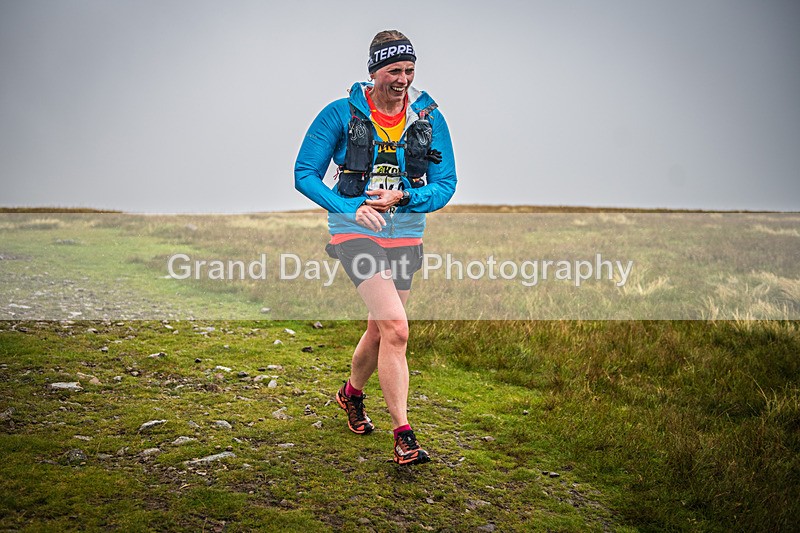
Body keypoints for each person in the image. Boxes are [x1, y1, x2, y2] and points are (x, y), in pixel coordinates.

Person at [294, 30, 456, 465]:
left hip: (406, 232)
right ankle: (404, 435)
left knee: (379, 329)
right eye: (393, 70)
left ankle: (350, 395)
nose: (402, 79)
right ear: (373, 72)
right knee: (398, 329)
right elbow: (304, 173)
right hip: (354, 233)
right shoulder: (339, 115)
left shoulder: (429, 119)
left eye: (409, 70)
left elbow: (446, 185)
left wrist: (403, 197)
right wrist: (349, 207)